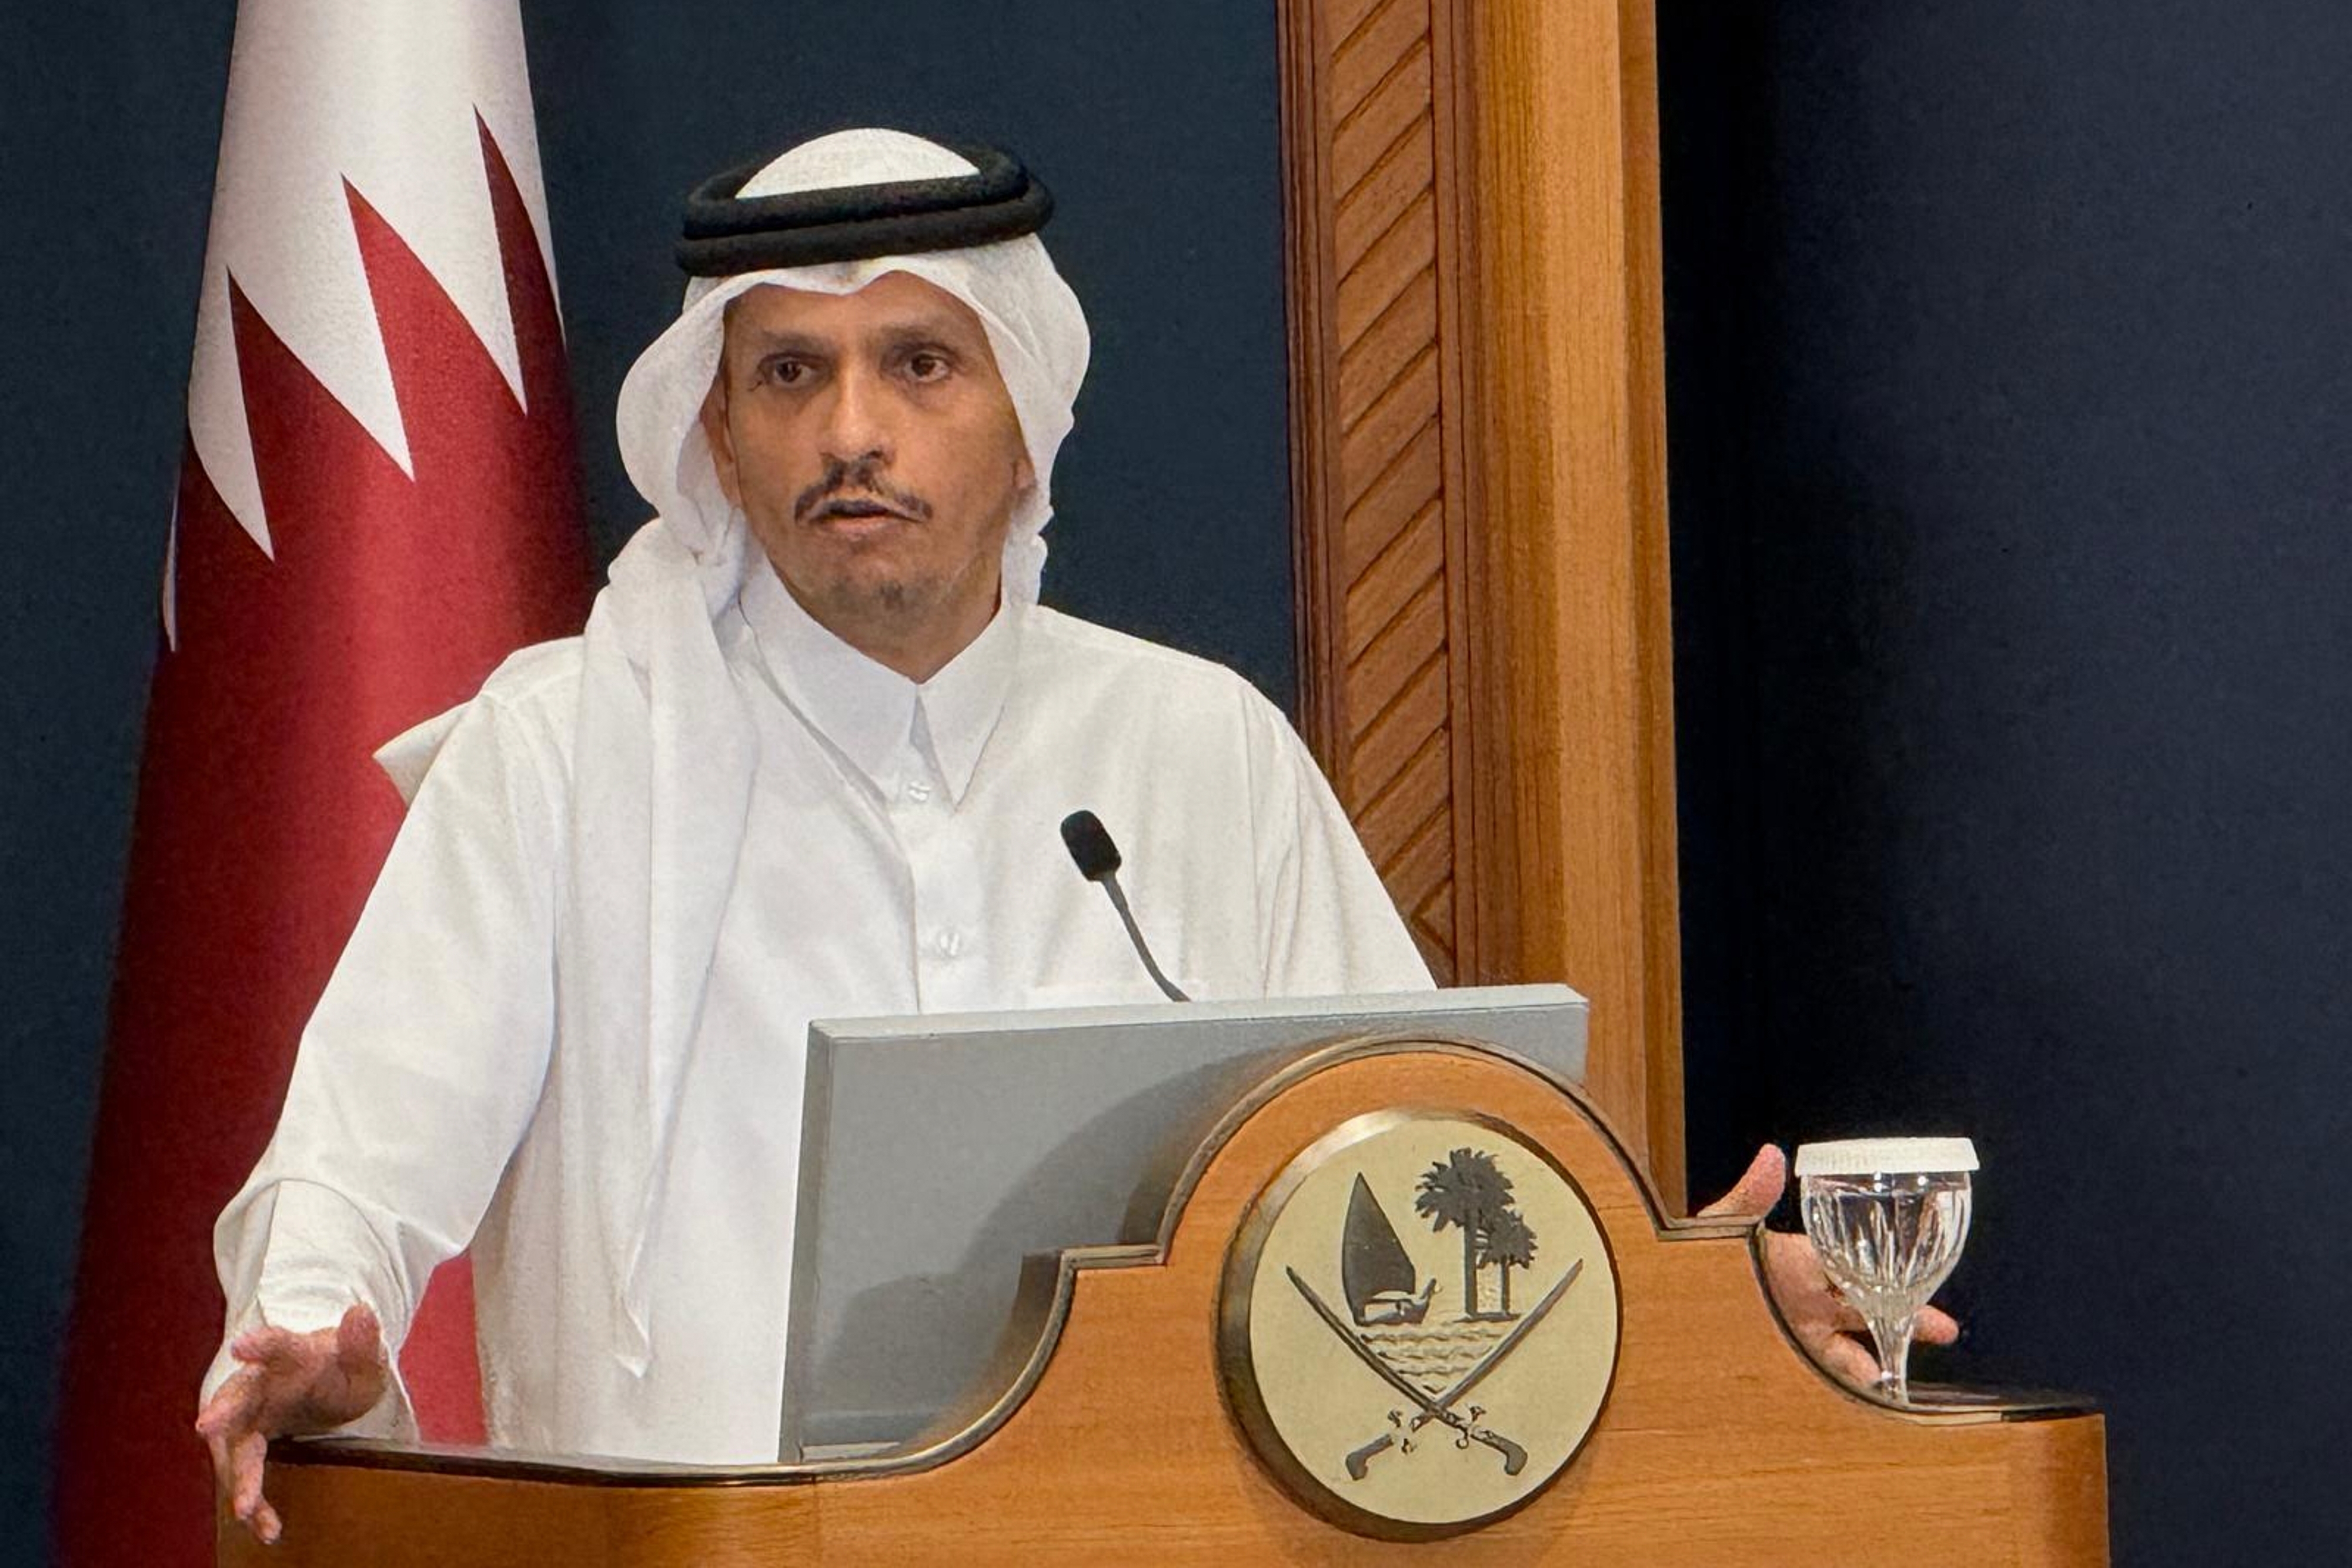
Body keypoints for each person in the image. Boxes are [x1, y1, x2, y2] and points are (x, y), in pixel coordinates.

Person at [195, 129, 1952, 1546]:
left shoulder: (1195, 749)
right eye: (790, 374)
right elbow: (351, 1160)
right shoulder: (563, 754)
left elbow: (1418, 1154)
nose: (853, 430)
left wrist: (1689, 1308)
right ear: (717, 439)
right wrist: (309, 1331)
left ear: (1025, 414)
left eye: (920, 364)